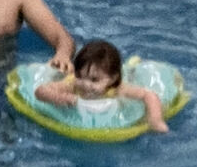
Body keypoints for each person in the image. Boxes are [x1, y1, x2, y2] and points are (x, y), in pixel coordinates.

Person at [35, 38, 169, 134]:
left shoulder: (117, 89)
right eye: (80, 75)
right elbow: (40, 91)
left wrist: (155, 120)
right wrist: (60, 98)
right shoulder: (73, 84)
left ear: (112, 79)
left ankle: (131, 67)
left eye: (94, 80)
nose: (86, 84)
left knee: (130, 74)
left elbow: (149, 95)